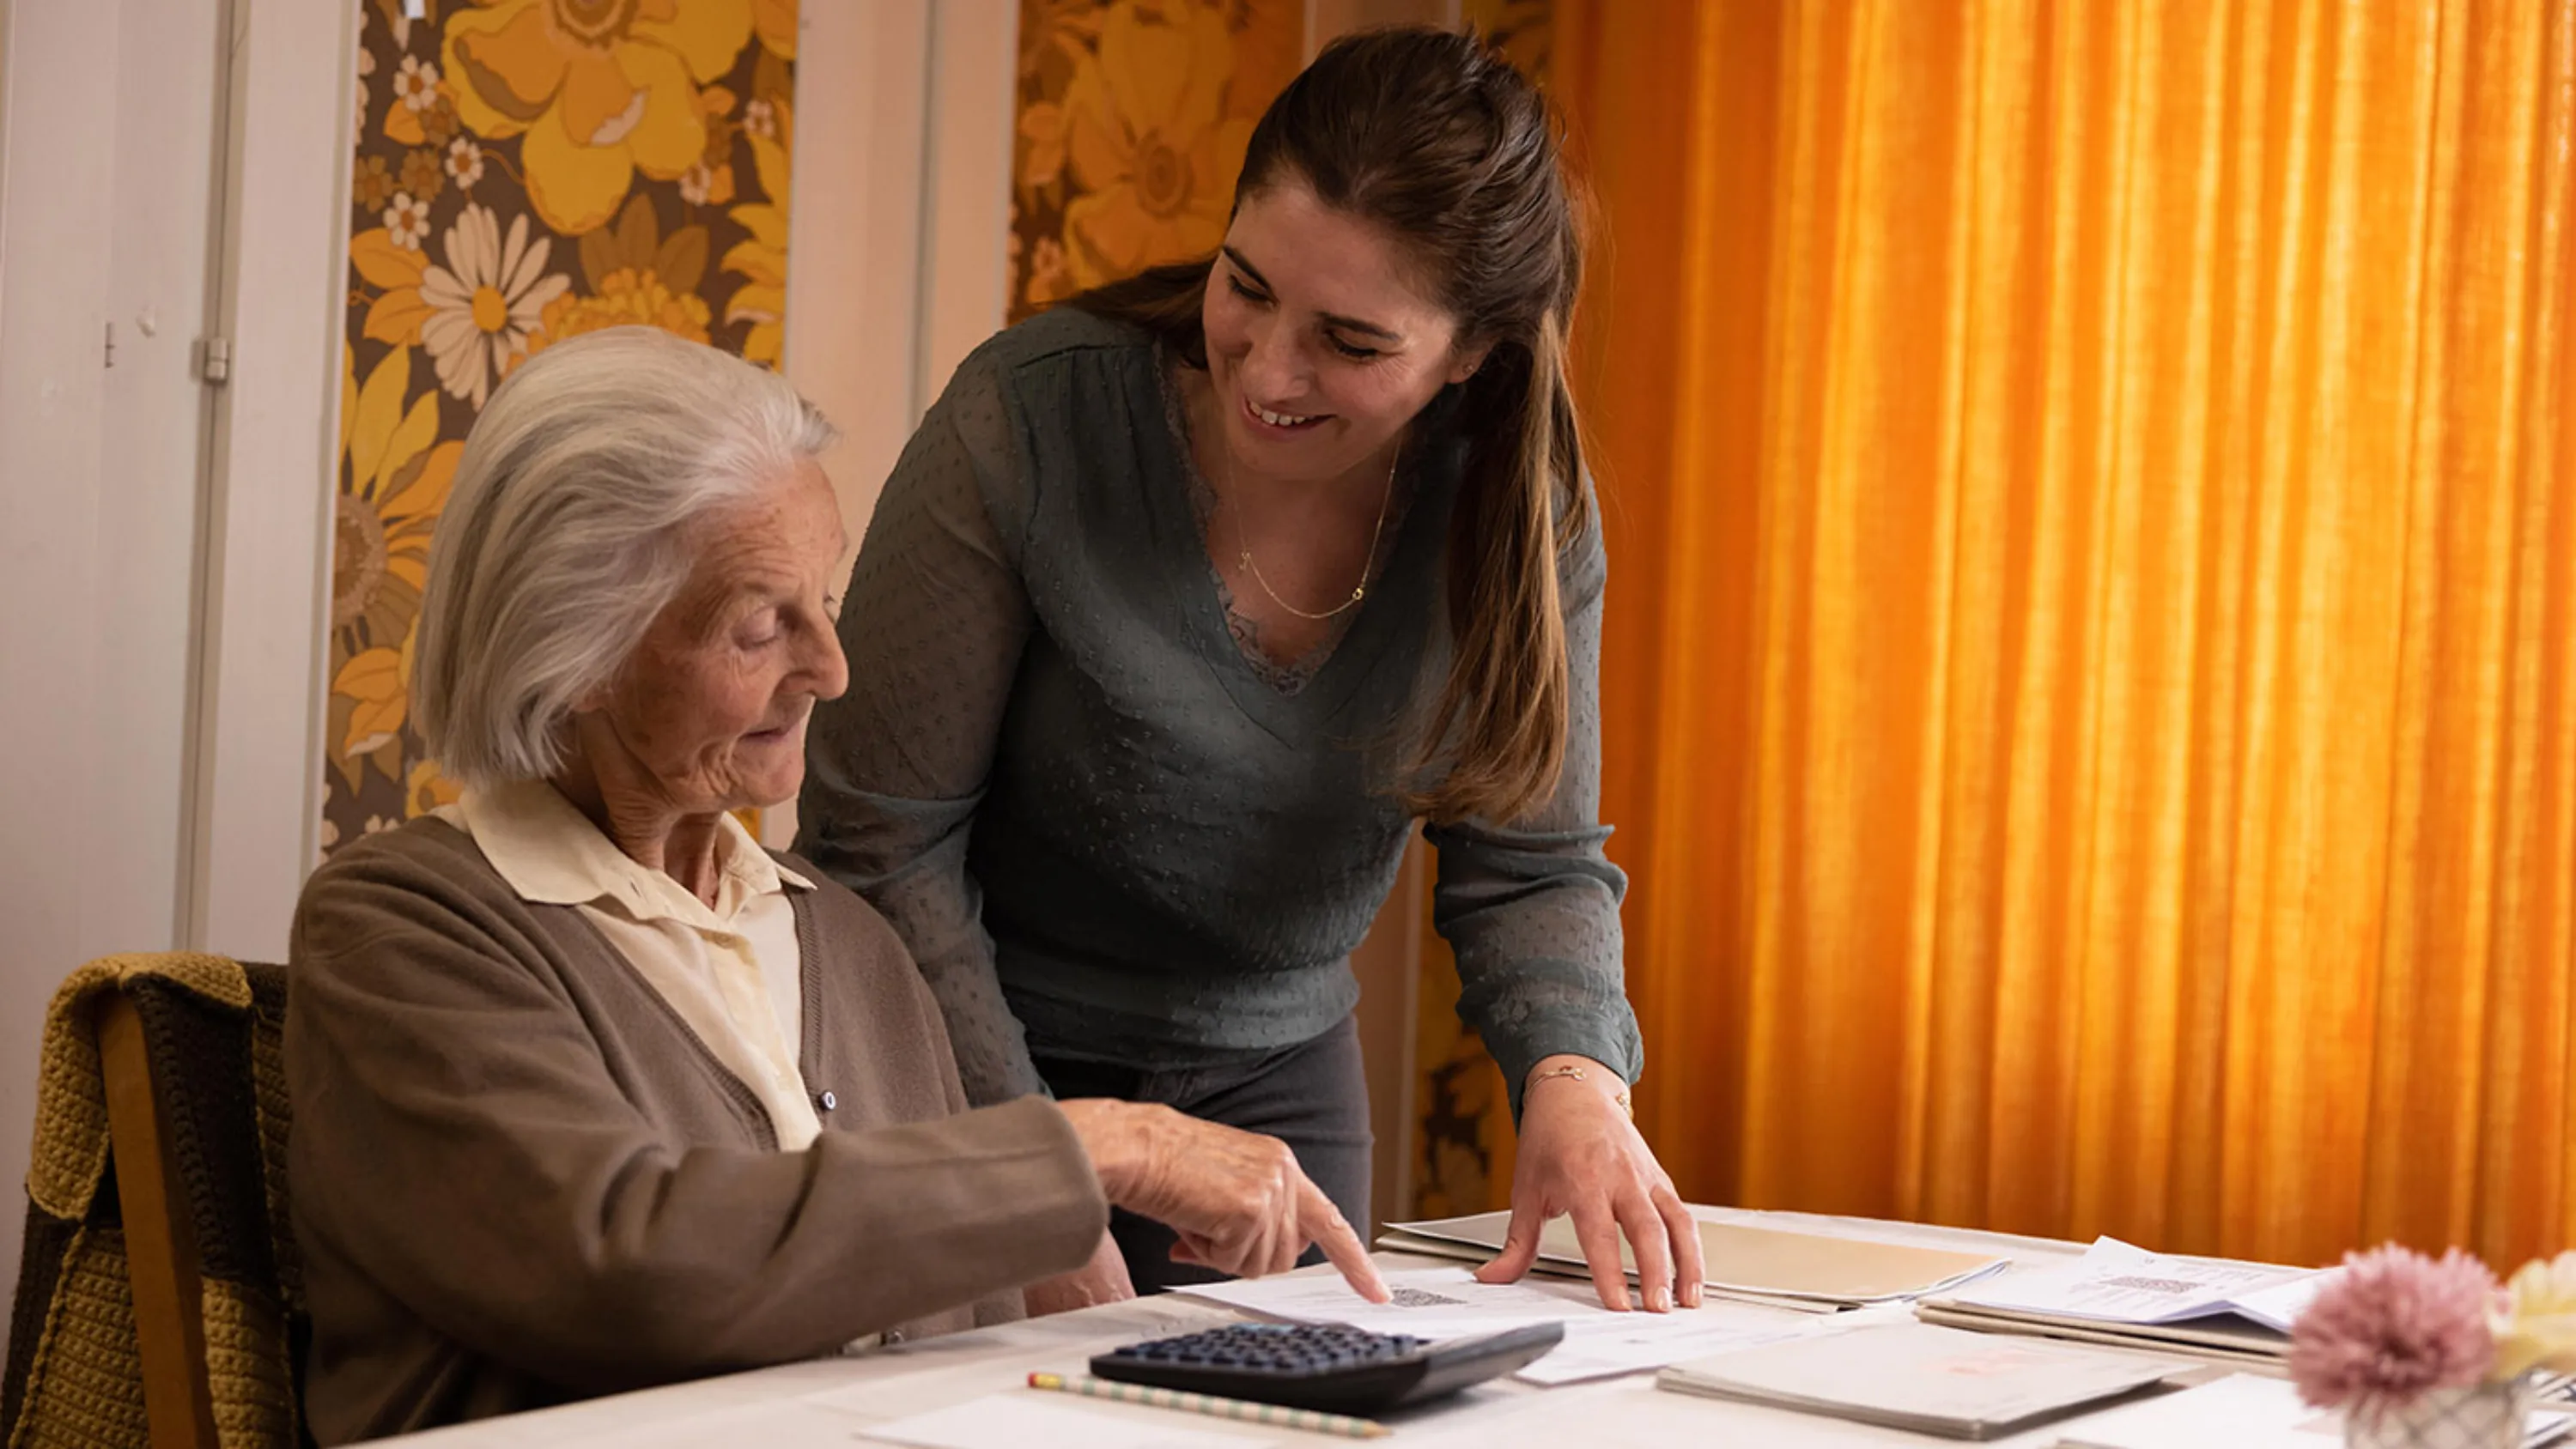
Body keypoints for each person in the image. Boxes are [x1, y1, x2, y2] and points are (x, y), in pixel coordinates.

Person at [285, 327, 1386, 1446]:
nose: (832, 668)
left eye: (827, 598)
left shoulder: (847, 941)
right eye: (763, 624)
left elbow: (959, 1342)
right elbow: (625, 1268)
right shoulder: (405, 931)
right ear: (576, 654)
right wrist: (1104, 1147)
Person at [799, 27, 1704, 1317]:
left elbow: (1532, 861)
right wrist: (1035, 1173)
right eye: (1246, 285)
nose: (1270, 370)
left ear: (1472, 357)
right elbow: (878, 847)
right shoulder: (1033, 420)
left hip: (1281, 1090)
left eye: (1349, 339)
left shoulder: (1518, 512)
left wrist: (1577, 1078)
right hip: (974, 1062)